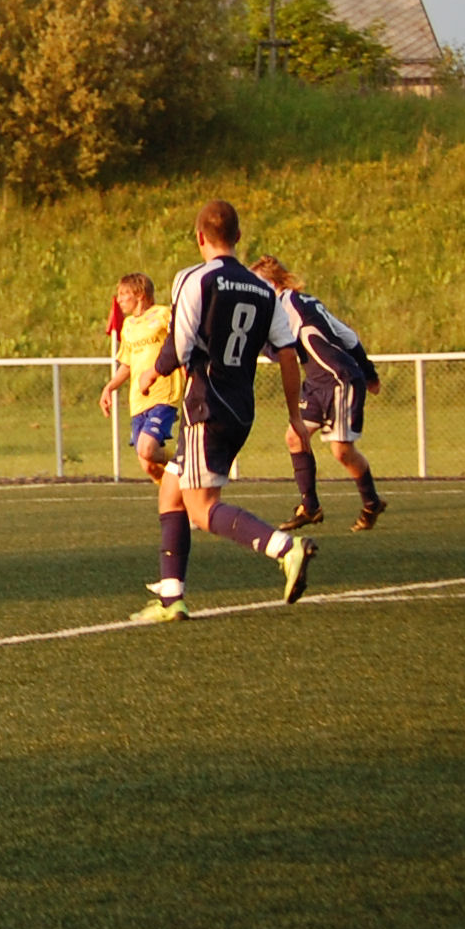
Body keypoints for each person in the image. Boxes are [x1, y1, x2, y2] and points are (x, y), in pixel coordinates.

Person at [133, 200, 313, 623]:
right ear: (237, 238)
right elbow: (287, 354)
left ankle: (285, 548)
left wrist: (151, 374)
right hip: (239, 409)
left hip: (206, 405)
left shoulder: (194, 279)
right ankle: (171, 597)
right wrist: (294, 416)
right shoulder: (263, 290)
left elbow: (180, 344)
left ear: (199, 238)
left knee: (202, 507)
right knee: (171, 489)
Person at [253, 256, 388, 533]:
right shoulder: (305, 301)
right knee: (294, 436)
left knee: (341, 451)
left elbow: (283, 351)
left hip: (340, 379)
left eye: (260, 285)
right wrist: (370, 371)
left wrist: (367, 374)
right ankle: (310, 507)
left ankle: (372, 502)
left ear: (275, 284)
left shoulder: (288, 307)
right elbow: (349, 335)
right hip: (317, 382)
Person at [97, 272, 182, 478]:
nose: (119, 300)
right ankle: (176, 498)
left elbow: (184, 338)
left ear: (140, 294)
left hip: (162, 395)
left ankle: (184, 463)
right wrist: (110, 387)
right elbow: (126, 364)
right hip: (138, 401)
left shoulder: (163, 314)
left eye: (123, 294)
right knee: (148, 465)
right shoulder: (128, 326)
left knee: (148, 449)